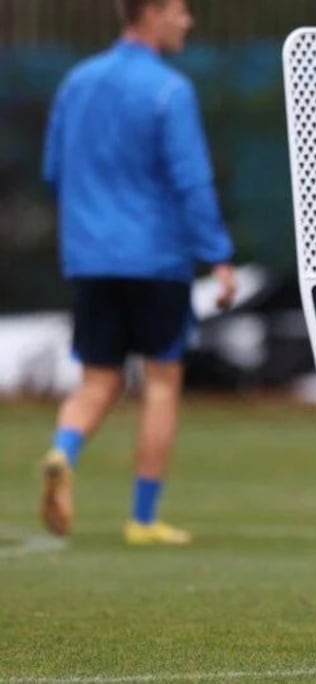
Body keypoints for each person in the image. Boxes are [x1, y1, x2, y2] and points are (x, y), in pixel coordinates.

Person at [39, 0, 237, 545]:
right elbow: (191, 181)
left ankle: (64, 449)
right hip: (156, 260)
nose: (188, 21)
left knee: (98, 379)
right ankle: (143, 519)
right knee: (160, 382)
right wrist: (218, 256)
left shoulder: (75, 82)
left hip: (91, 257)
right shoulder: (170, 91)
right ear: (150, 13)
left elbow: (54, 169)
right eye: (179, 10)